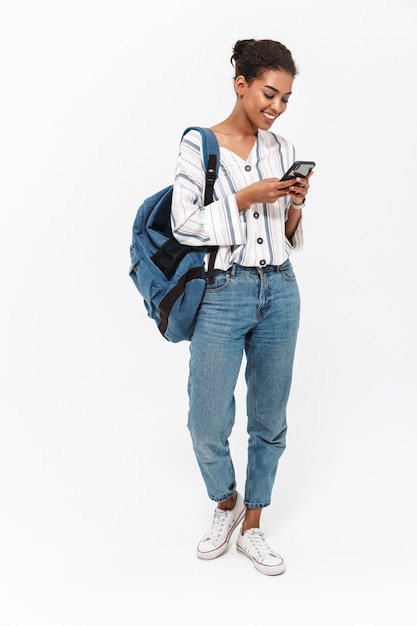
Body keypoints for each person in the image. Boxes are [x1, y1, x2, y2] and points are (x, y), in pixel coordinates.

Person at [171, 38, 313, 576]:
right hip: (223, 293)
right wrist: (244, 198)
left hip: (280, 290)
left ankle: (253, 523)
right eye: (268, 94)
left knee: (269, 418)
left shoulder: (281, 148)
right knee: (206, 419)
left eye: (285, 99)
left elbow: (288, 234)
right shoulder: (198, 144)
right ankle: (225, 503)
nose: (275, 108)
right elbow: (185, 225)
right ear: (241, 85)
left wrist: (295, 202)